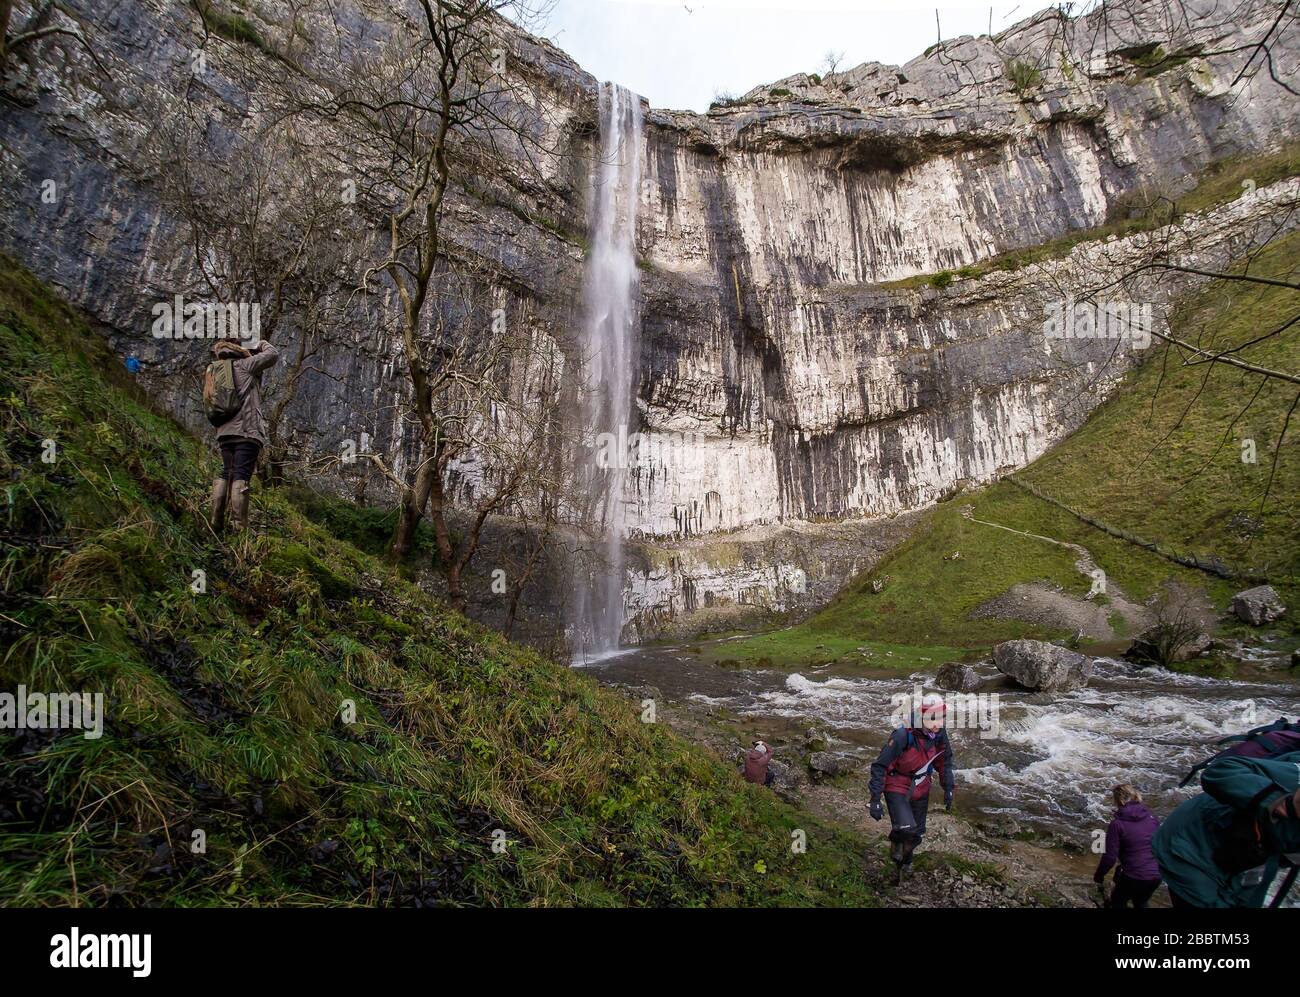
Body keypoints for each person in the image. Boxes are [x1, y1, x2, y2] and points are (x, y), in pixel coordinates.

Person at [1152, 750, 1300, 907]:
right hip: (1191, 844)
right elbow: (1220, 770)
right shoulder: (1294, 776)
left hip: (1252, 857)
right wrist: (1279, 802)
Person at [868, 692, 955, 883]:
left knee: (915, 835)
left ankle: (904, 861)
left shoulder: (940, 734)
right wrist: (875, 799)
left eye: (942, 717)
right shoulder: (902, 735)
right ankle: (897, 855)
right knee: (907, 829)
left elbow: (945, 761)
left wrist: (948, 788)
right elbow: (879, 766)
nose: (938, 723)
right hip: (897, 785)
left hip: (921, 787)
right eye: (933, 718)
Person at [208, 337, 279, 533]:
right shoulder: (245, 365)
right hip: (246, 431)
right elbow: (273, 354)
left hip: (224, 431)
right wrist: (259, 343)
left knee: (226, 471)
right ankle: (239, 526)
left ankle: (216, 520)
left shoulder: (215, 368)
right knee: (241, 475)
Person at [1094, 784, 1162, 908]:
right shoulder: (1152, 818)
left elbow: (1110, 857)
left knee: (1117, 902)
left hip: (1134, 875)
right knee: (1141, 902)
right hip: (1156, 874)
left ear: (1118, 800)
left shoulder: (1117, 824)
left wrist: (1099, 875)